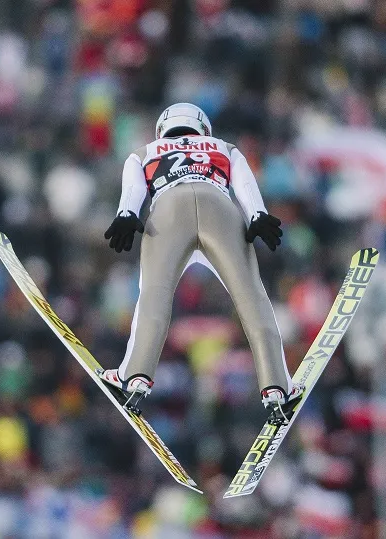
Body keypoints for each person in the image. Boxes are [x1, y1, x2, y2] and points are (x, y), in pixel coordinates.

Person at [98, 103, 302, 421]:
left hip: (168, 208)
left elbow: (134, 189)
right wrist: (258, 215)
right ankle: (277, 386)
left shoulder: (144, 151)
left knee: (154, 295)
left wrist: (126, 214)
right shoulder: (224, 147)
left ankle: (135, 376)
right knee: (252, 296)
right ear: (203, 128)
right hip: (219, 206)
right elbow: (245, 184)